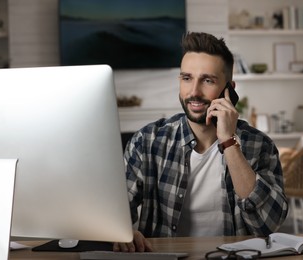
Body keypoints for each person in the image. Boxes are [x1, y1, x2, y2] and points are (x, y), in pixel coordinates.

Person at [114, 32, 288, 252]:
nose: (194, 92)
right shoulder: (147, 142)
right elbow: (116, 215)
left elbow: (268, 225)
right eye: (187, 78)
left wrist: (229, 143)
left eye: (207, 80)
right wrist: (124, 232)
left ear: (230, 89)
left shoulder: (259, 145)